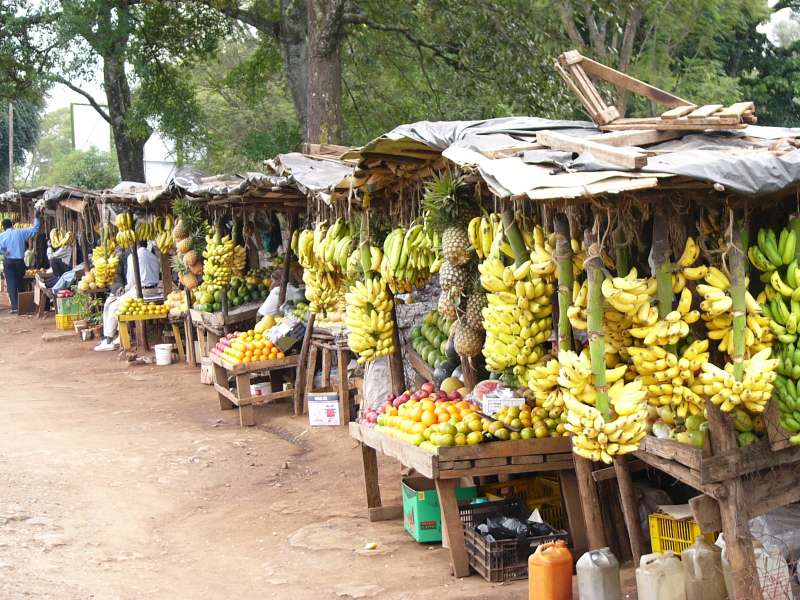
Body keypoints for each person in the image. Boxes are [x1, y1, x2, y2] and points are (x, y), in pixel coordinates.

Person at [94, 241, 161, 352]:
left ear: (132, 245)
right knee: (117, 303)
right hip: (154, 291)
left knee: (113, 306)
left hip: (140, 292)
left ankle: (108, 339)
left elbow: (131, 282)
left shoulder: (132, 257)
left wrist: (124, 290)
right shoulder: (153, 256)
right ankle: (116, 337)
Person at [0, 212, 41, 314]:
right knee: (21, 282)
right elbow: (35, 230)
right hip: (19, 261)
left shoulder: (2, 235)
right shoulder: (20, 232)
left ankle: (14, 307)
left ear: (3, 227)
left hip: (8, 261)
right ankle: (23, 306)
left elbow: (1, 249)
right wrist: (36, 218)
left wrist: (3, 252)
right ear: (12, 225)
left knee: (11, 284)